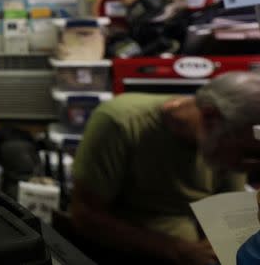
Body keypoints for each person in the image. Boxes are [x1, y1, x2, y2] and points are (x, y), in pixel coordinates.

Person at [71, 72, 260, 265]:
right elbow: (85, 214)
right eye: (247, 154)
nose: (252, 165)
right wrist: (176, 249)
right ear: (210, 116)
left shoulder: (228, 140)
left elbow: (230, 214)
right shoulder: (121, 123)